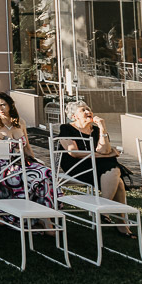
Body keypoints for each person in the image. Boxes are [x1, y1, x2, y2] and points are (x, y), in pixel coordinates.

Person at [57, 101, 134, 235]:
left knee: (116, 176)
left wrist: (102, 127)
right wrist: (105, 154)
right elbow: (74, 153)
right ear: (74, 116)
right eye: (83, 110)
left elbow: (105, 149)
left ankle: (107, 212)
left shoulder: (97, 130)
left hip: (98, 165)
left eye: (88, 109)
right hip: (76, 166)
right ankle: (112, 217)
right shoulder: (66, 128)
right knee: (114, 169)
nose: (88, 112)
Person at [0, 91, 55, 227]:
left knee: (46, 173)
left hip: (21, 162)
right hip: (1, 165)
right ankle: (30, 213)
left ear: (10, 104)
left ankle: (45, 216)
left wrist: (34, 160)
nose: (0, 109)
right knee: (35, 176)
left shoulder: (20, 122)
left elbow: (27, 146)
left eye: (3, 105)